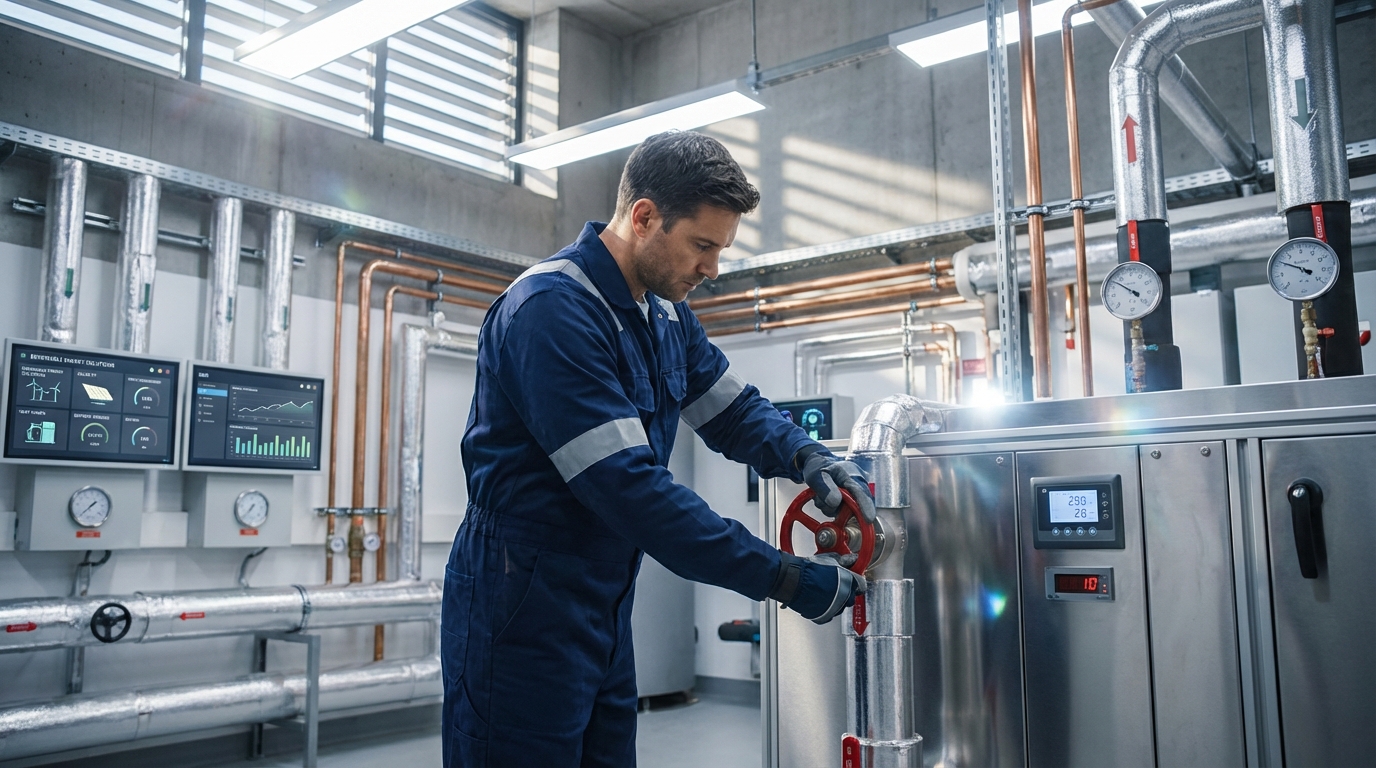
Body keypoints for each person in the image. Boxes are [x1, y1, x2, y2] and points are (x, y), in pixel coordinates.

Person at [444, 130, 873, 767]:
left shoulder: (662, 314)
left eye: (721, 249)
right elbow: (630, 491)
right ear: (643, 217)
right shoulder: (551, 311)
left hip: (605, 597)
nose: (712, 269)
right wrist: (781, 576)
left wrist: (803, 454)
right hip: (521, 600)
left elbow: (731, 410)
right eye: (703, 245)